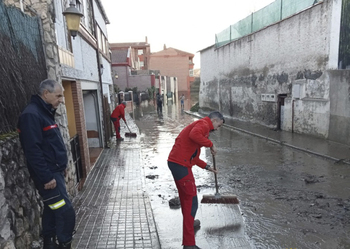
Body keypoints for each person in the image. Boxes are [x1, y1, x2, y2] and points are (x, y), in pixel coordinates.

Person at [17, 79, 76, 249]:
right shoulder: (31, 115)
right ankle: (64, 243)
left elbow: (51, 145)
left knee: (52, 209)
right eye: (58, 95)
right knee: (65, 212)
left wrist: (61, 166)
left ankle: (49, 243)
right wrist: (46, 177)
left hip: (55, 172)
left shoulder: (45, 113)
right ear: (45, 94)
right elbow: (33, 151)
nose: (61, 99)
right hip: (48, 177)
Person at [167, 111, 225, 249]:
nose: (217, 129)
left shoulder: (202, 127)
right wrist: (211, 144)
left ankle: (190, 222)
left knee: (186, 200)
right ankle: (189, 244)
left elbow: (194, 157)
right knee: (191, 203)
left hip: (177, 163)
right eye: (219, 125)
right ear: (215, 120)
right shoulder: (204, 124)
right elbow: (194, 134)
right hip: (181, 166)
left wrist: (208, 167)